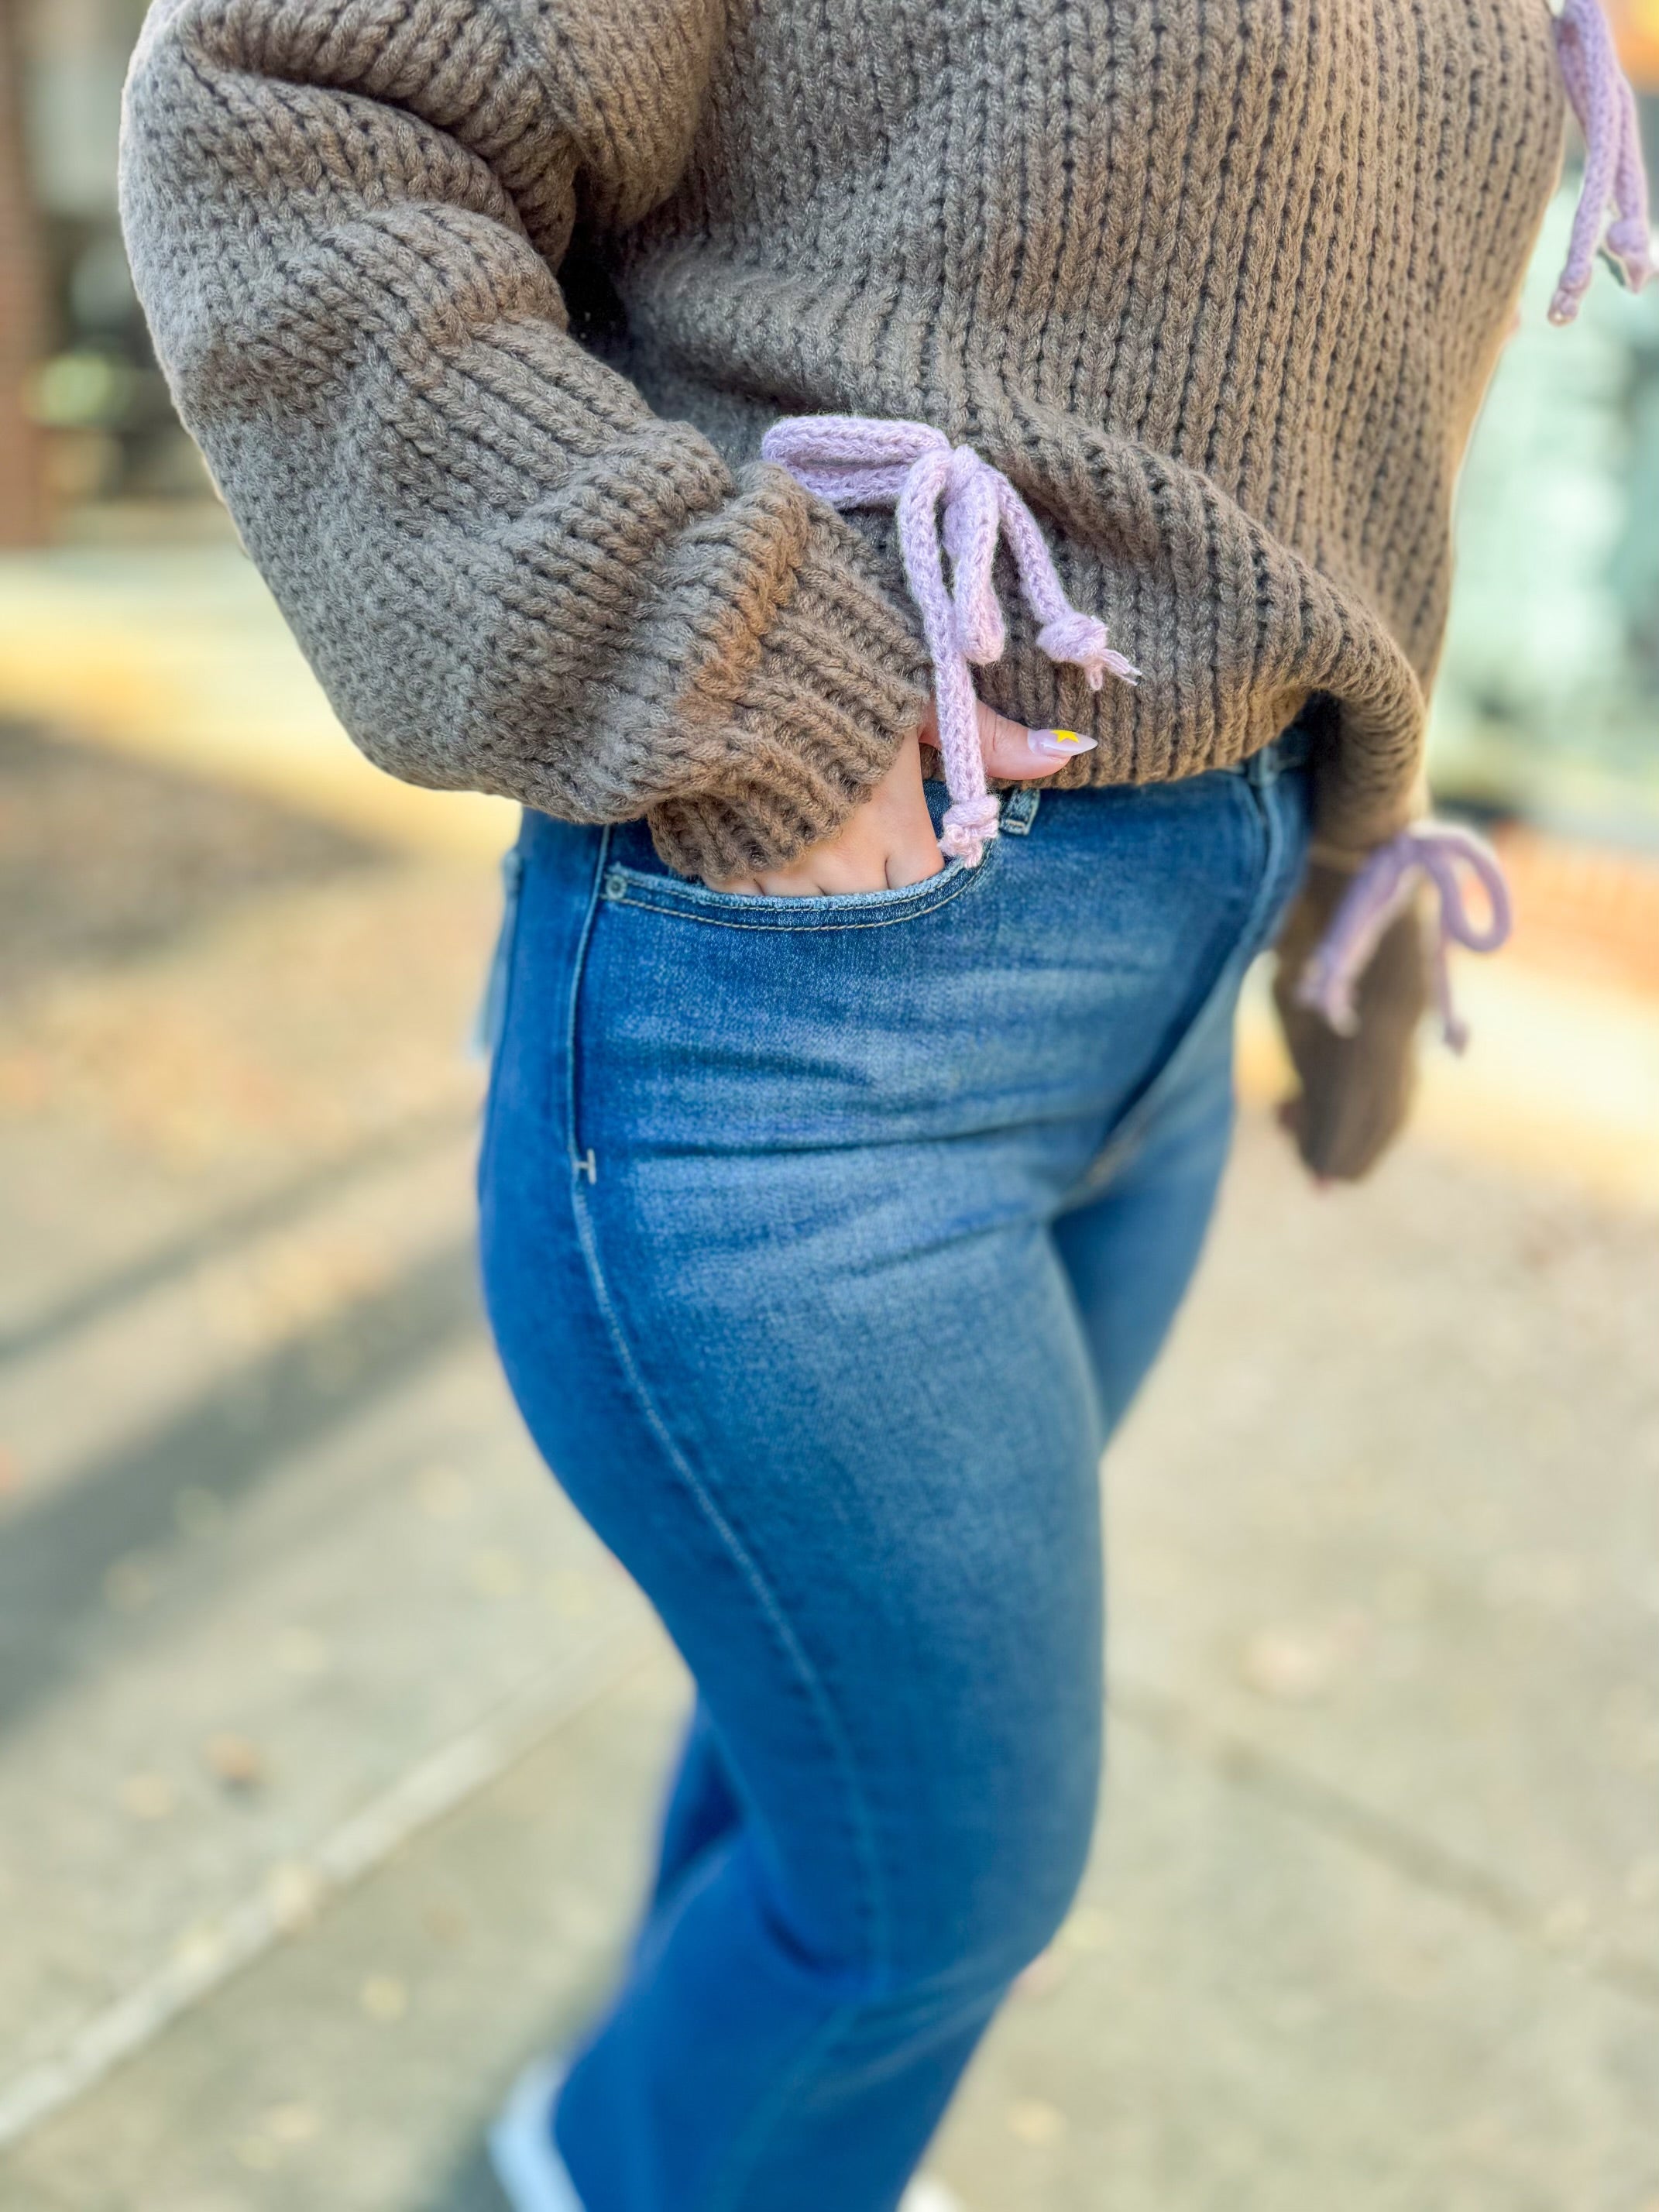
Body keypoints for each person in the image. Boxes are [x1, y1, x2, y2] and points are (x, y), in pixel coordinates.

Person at [118, 2, 1650, 2205]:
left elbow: (1329, 372)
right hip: (807, 1017)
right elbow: (288, 110)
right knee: (939, 1896)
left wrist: (1340, 871)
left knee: (827, 1768)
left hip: (1162, 1006)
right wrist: (714, 657)